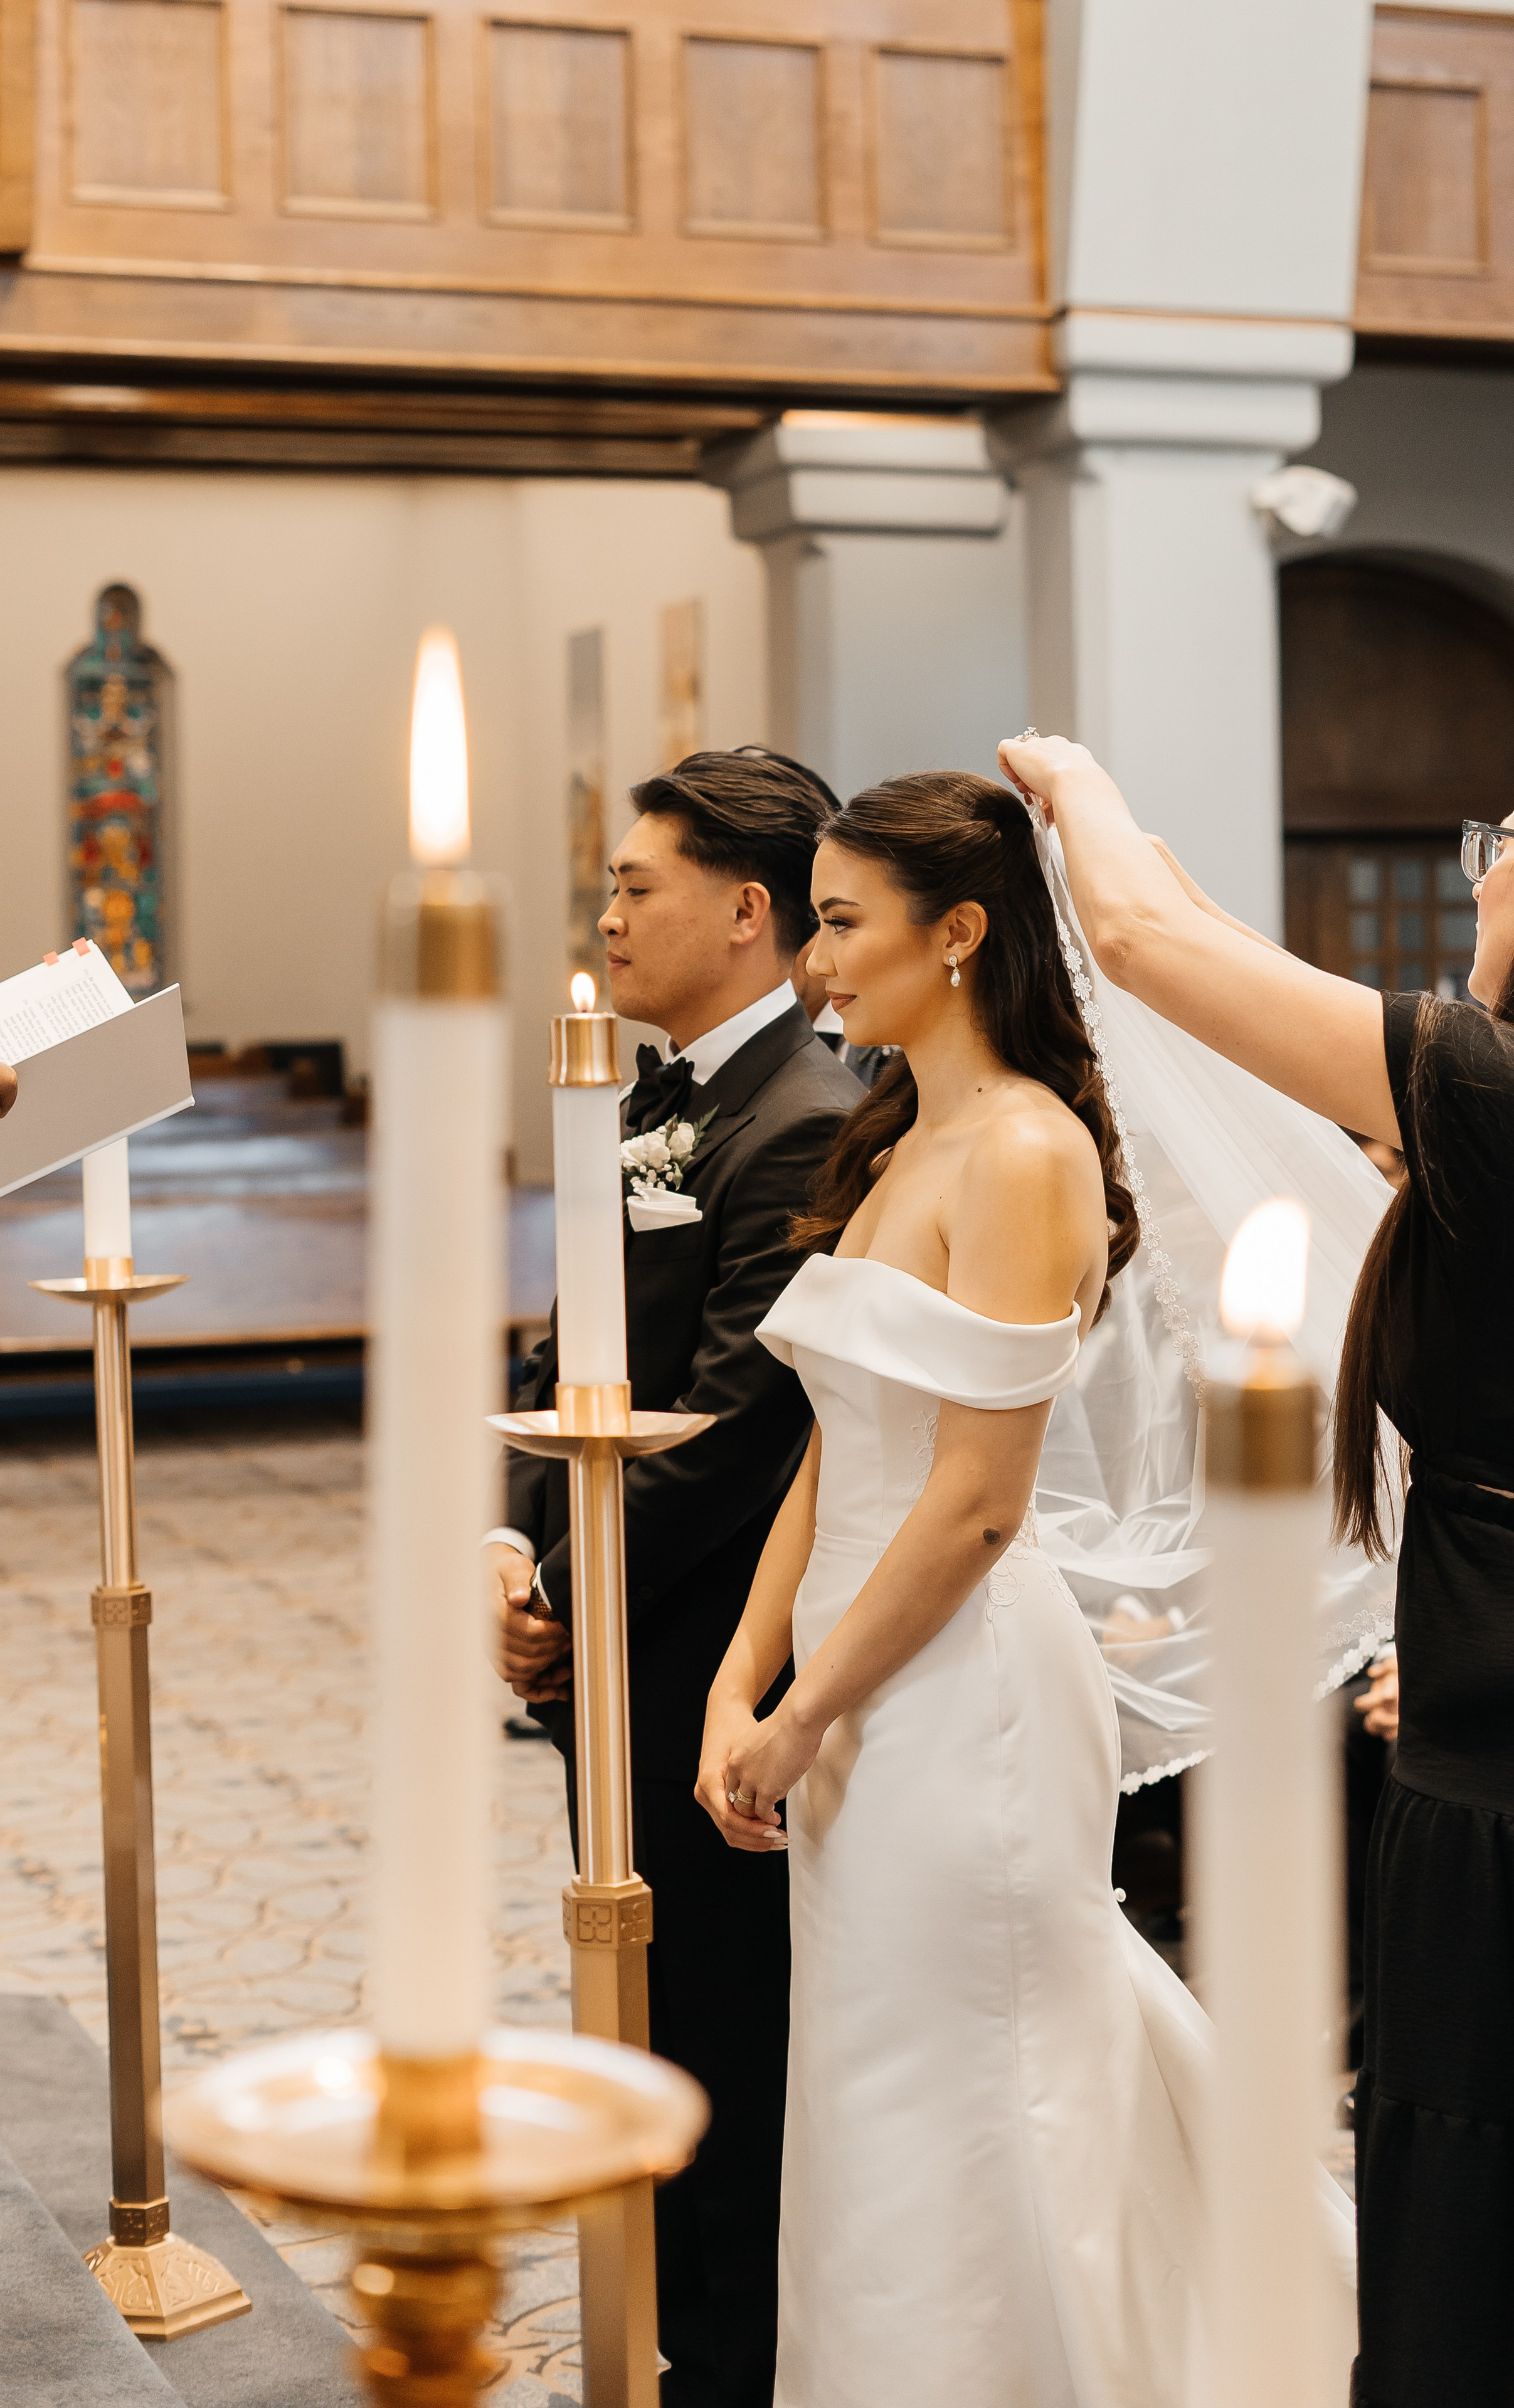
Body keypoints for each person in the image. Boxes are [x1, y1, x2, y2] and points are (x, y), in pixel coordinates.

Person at [1000, 729, 1514, 2408]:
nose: (1479, 880)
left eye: (1505, 847)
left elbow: (1148, 946)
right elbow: (1199, 934)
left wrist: (1073, 780)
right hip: (1512, 1705)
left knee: (1508, 2212)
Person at [695, 773, 1230, 2406]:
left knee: (967, 2070)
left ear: (961, 933)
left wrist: (806, 1712)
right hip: (857, 1671)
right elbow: (834, 1449)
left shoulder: (1025, 1150)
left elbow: (981, 1504)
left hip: (963, 1690)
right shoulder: (901, 1136)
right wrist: (740, 1673)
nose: (814, 960)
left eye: (841, 922)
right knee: (872, 2076)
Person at [489, 747, 863, 2408]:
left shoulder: (806, 1123)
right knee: (633, 2015)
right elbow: (563, 1355)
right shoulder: (638, 1105)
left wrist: (569, 1594)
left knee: (721, 2023)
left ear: (745, 909)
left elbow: (732, 1421)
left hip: (714, 1653)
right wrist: (516, 1552)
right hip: (611, 1636)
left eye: (637, 887)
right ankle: (658, 2331)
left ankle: (726, 2364)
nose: (610, 917)